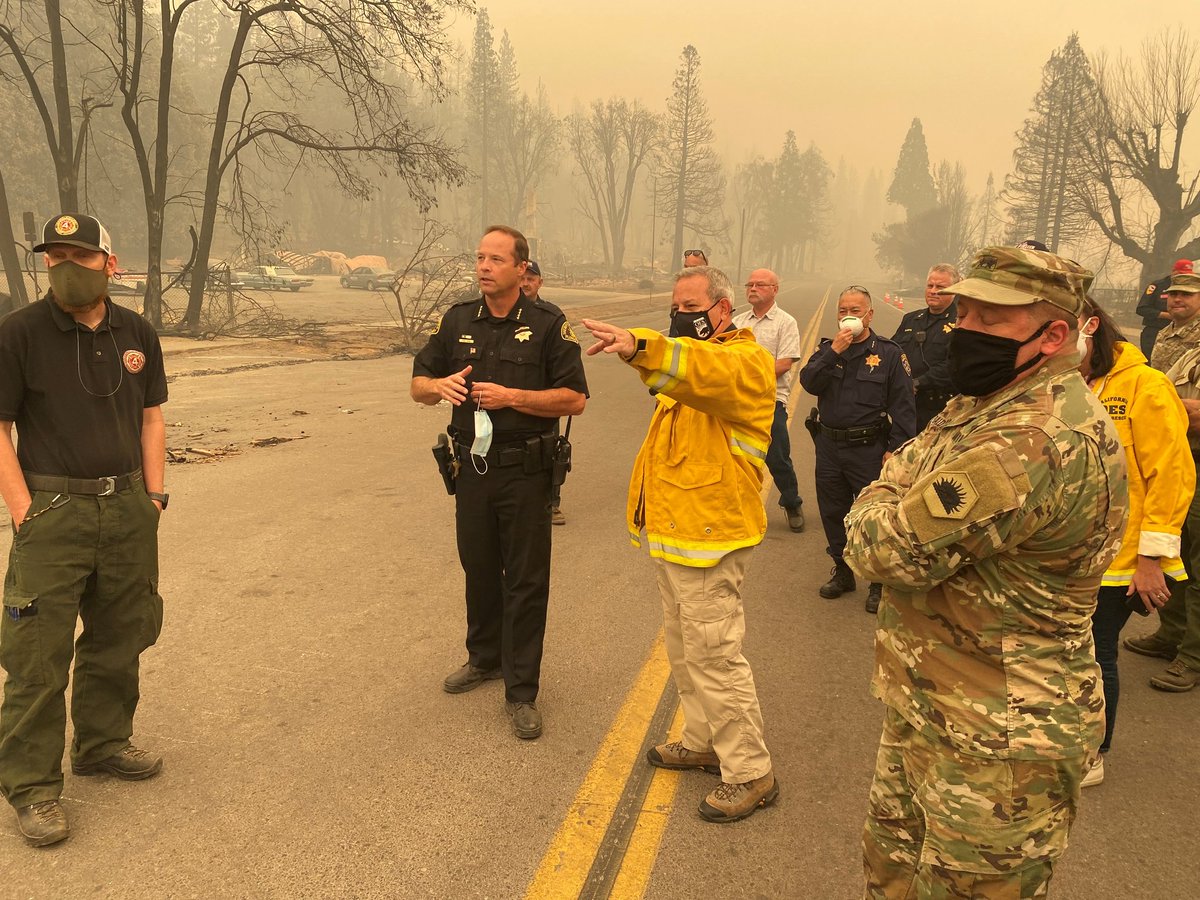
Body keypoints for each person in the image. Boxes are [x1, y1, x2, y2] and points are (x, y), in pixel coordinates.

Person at [845, 245, 1128, 897]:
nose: (964, 329)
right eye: (964, 310)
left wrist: (887, 485)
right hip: (935, 706)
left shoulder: (1033, 439)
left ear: (1054, 333)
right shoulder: (988, 401)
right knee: (889, 876)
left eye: (990, 318)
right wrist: (901, 480)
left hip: (998, 744)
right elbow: (911, 461)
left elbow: (876, 549)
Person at [580, 266, 778, 823]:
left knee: (716, 657)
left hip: (712, 541)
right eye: (674, 308)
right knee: (686, 653)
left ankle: (750, 771)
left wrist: (640, 344)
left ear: (722, 310)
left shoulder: (744, 362)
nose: (679, 317)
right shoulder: (695, 363)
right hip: (677, 538)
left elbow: (702, 370)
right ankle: (703, 742)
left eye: (690, 306)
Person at [0, 213, 169, 848]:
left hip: (127, 507)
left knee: (121, 633)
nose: (65, 266)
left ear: (109, 262)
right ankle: (33, 788)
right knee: (37, 654)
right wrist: (23, 508)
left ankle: (101, 744)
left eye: (79, 255)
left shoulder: (137, 331)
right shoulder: (18, 334)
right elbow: (0, 429)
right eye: (54, 256)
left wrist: (152, 496)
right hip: (54, 511)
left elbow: (152, 417)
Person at [410, 226, 588, 741]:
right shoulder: (458, 319)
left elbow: (574, 398)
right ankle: (484, 657)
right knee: (479, 566)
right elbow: (418, 384)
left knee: (527, 579)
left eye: (496, 259)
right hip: (472, 470)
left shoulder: (549, 325)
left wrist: (513, 396)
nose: (484, 266)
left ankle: (522, 691)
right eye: (480, 258)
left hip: (526, 471)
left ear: (521, 269)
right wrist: (435, 387)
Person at [1076, 296, 1192, 786]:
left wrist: (1151, 560)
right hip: (1064, 554)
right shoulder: (1059, 383)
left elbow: (1172, 474)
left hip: (1120, 558)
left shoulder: (1146, 385)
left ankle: (1093, 749)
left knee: (1096, 648)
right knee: (1060, 650)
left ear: (1090, 326)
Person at [798, 286, 915, 613]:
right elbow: (808, 382)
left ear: (870, 314)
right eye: (843, 310)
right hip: (829, 447)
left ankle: (878, 581)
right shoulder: (827, 350)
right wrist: (833, 352)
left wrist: (895, 451)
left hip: (869, 448)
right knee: (833, 511)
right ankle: (843, 570)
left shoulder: (890, 354)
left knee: (872, 516)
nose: (849, 315)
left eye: (856, 309)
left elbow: (905, 410)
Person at [1127, 267, 1200, 693]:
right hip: (1170, 457)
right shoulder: (1167, 336)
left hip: (1197, 458)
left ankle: (1192, 656)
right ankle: (1170, 634)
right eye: (1173, 294)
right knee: (1173, 554)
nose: (1176, 300)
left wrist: (1175, 410)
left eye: (1187, 295)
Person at [732, 269, 805, 532]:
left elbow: (784, 363)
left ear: (774, 289)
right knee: (736, 457)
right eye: (749, 284)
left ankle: (791, 502)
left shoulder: (786, 322)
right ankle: (737, 509)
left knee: (777, 457)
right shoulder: (738, 322)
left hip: (770, 401)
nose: (753, 288)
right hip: (738, 401)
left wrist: (747, 375)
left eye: (760, 284)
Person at [519, 260, 568, 527]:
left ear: (540, 282)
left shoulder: (551, 316)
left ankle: (552, 503)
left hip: (546, 396)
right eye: (522, 278)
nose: (525, 283)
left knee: (550, 450)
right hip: (514, 394)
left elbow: (564, 360)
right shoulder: (504, 312)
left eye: (531, 278)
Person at [890, 264, 959, 431]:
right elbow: (892, 353)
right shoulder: (911, 319)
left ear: (954, 290)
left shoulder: (961, 323)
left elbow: (953, 366)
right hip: (907, 406)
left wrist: (918, 383)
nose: (933, 291)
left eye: (940, 287)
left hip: (941, 411)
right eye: (930, 285)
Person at [1134, 260, 1193, 359]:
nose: (1183, 278)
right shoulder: (1157, 286)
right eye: (1181, 274)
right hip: (1154, 331)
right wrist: (1167, 315)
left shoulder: (1192, 289)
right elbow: (1142, 309)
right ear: (1174, 271)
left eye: (1187, 275)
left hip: (1180, 333)